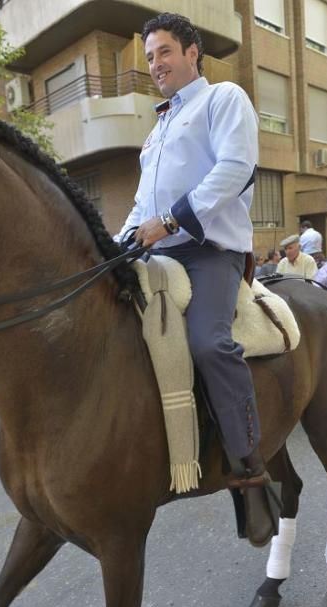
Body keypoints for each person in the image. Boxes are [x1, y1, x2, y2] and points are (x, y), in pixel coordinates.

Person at [115, 13, 268, 491]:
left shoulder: (223, 98)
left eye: (164, 52)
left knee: (208, 342)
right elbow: (142, 204)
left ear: (191, 53)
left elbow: (236, 168)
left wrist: (174, 219)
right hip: (157, 252)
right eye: (150, 57)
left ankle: (247, 455)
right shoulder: (157, 129)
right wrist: (116, 243)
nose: (156, 64)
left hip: (209, 252)